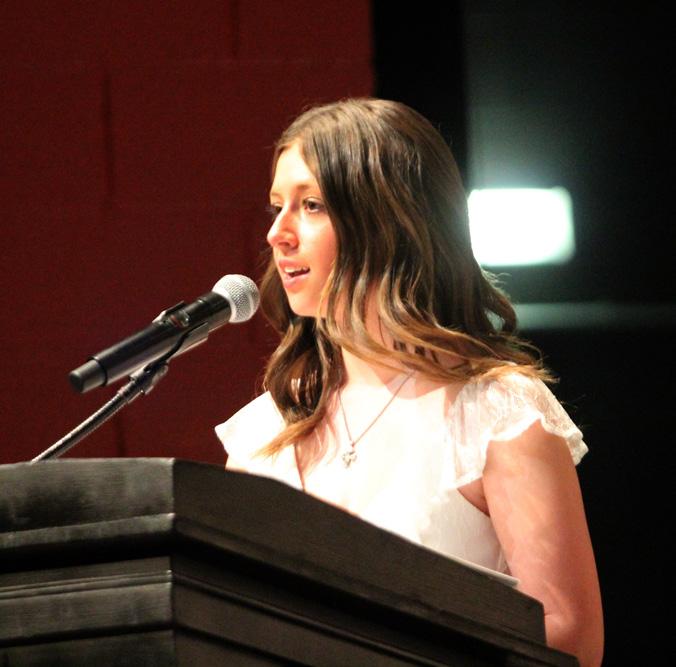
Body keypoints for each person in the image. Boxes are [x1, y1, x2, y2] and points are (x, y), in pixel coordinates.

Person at [215, 98, 603, 667]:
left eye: (312, 205)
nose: (277, 233)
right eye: (277, 207)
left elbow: (569, 637)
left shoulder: (495, 413)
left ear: (387, 221)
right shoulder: (262, 436)